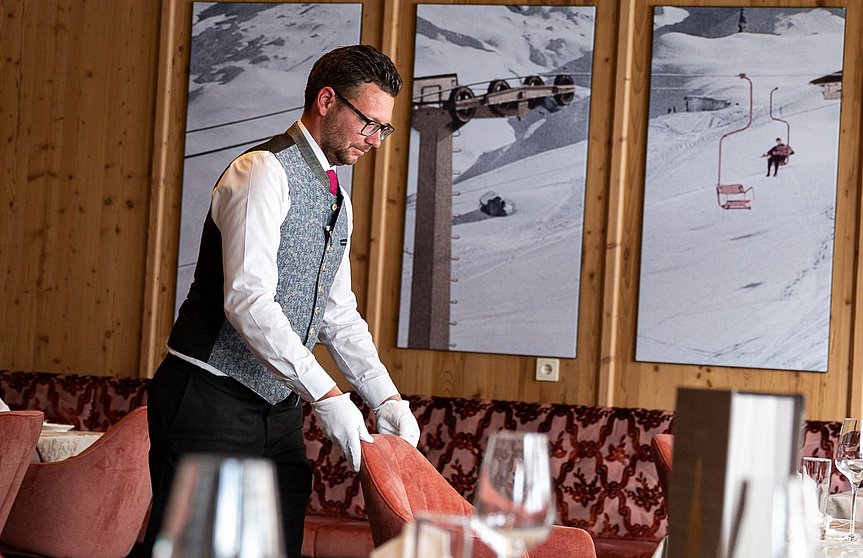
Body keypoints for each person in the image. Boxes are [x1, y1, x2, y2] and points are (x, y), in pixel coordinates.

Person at [143, 45, 420, 558]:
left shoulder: (339, 196)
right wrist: (329, 396)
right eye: (368, 123)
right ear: (327, 100)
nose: (375, 141)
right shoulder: (260, 172)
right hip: (208, 402)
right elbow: (248, 302)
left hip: (277, 414)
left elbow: (337, 314)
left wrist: (385, 398)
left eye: (384, 129)